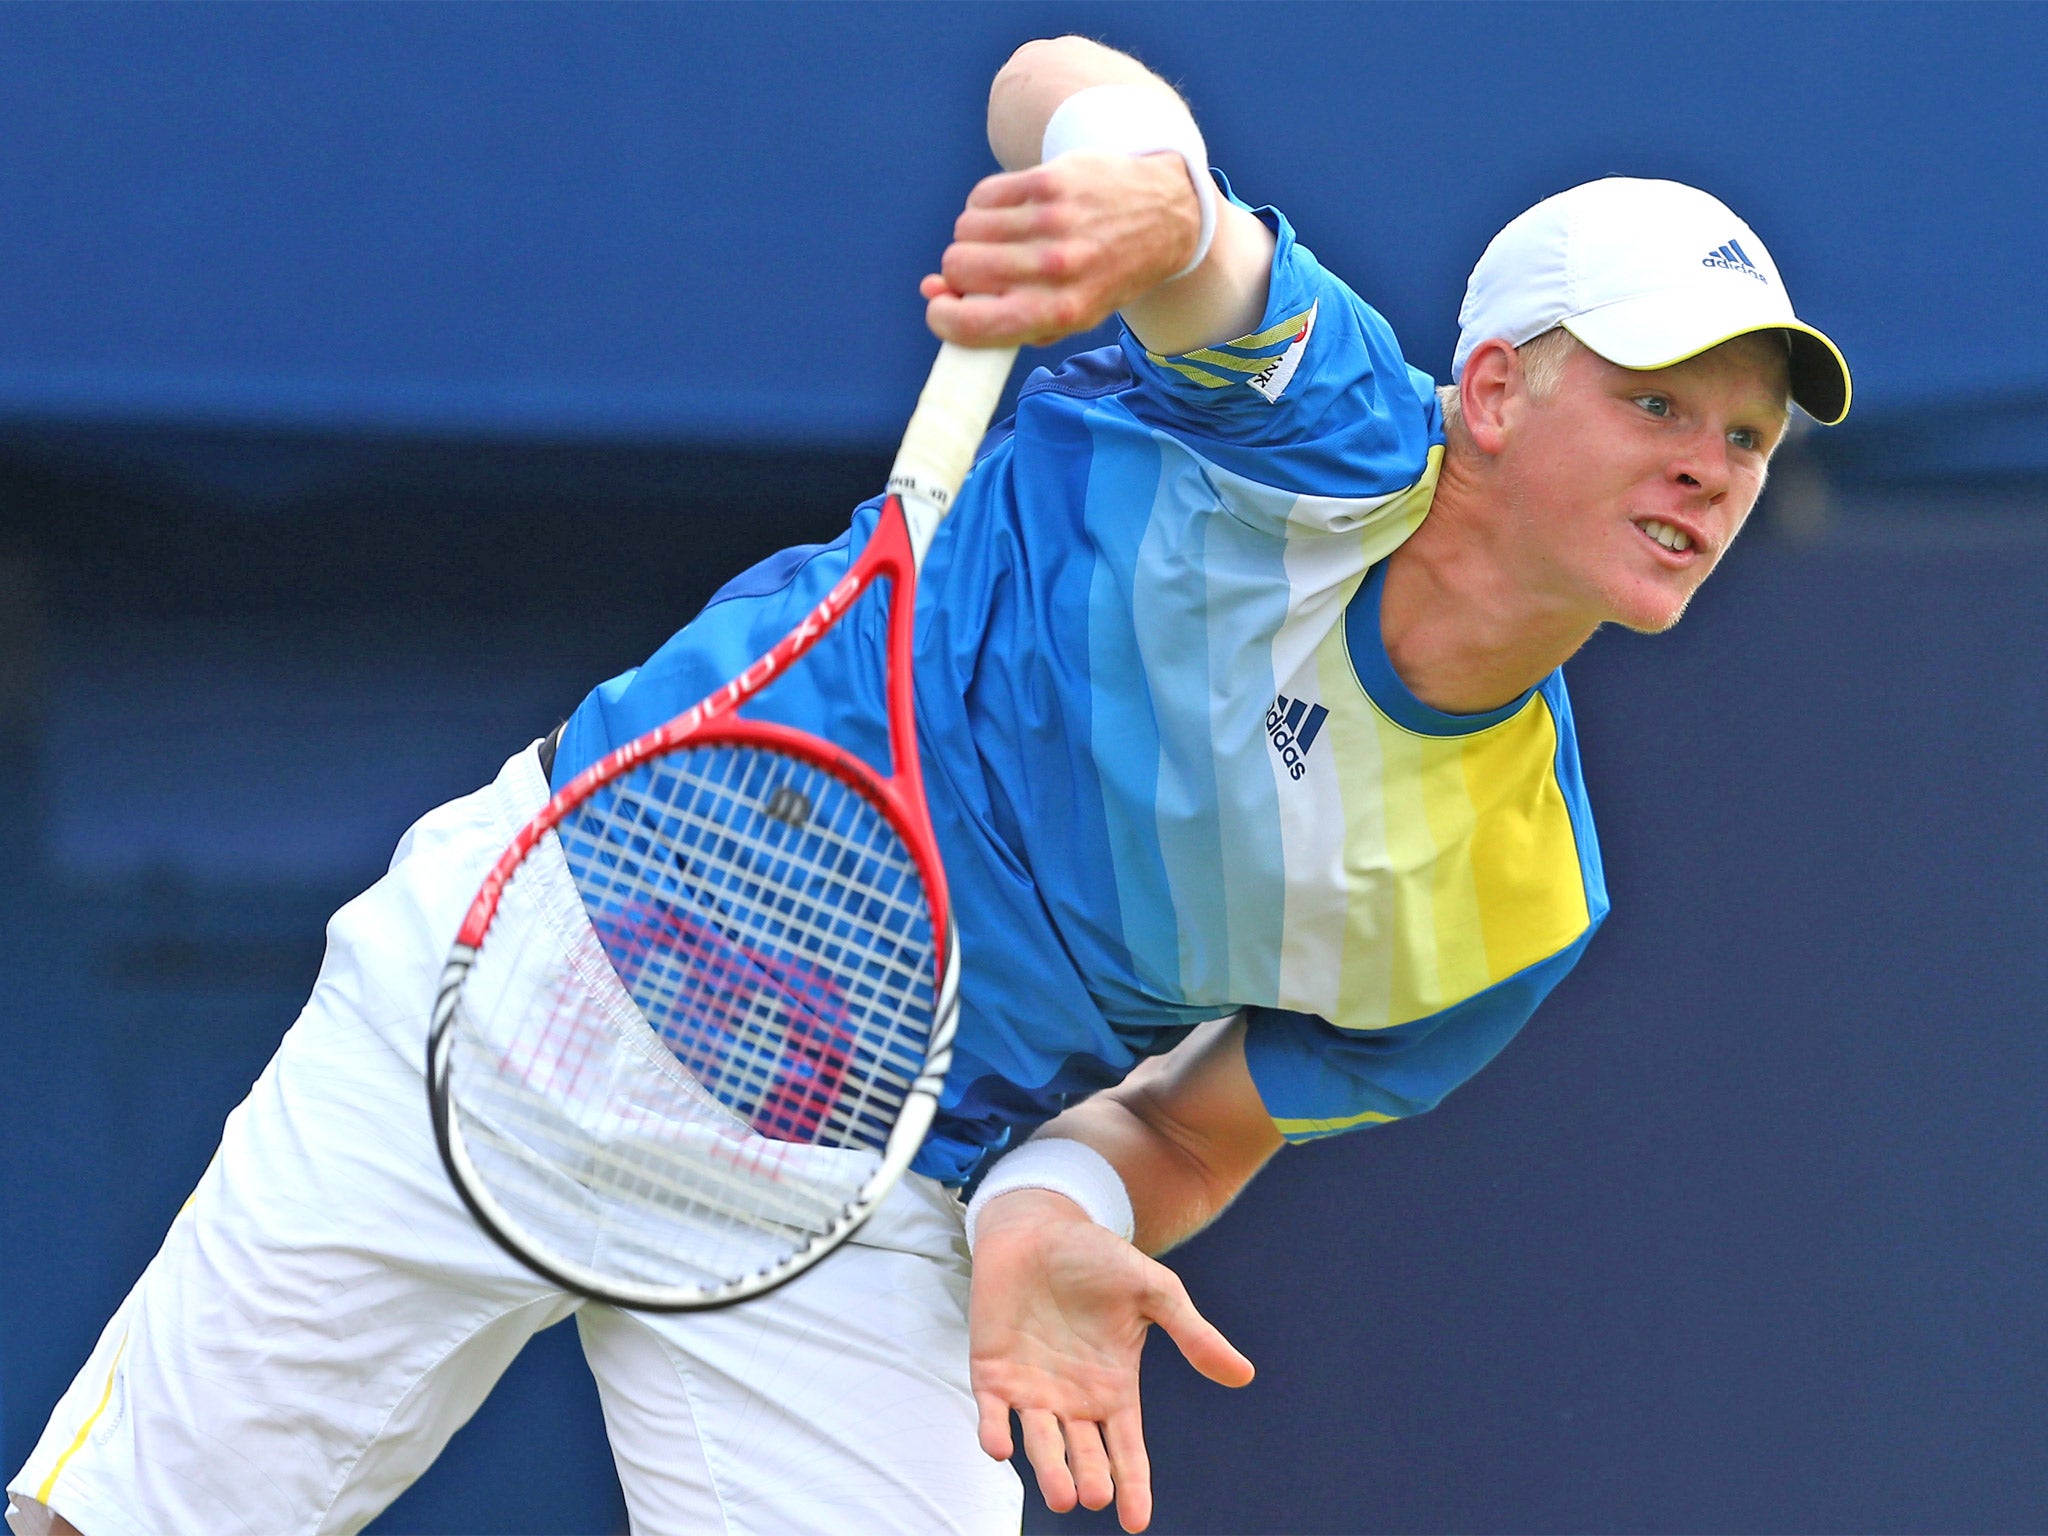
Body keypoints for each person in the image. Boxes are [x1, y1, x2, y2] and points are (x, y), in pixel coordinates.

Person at [9, 34, 1849, 1536]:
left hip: (866, 1199)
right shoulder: (1319, 422)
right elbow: (1064, 85)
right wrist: (1142, 181)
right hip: (536, 962)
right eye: (1661, 403)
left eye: (1748, 441)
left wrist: (1063, 1212)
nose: (1711, 469)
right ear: (1499, 394)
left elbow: (1186, 1133)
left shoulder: (1513, 900)